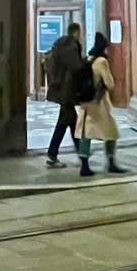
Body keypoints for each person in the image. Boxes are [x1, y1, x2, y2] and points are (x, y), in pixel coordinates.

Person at [74, 32, 127, 177]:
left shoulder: (89, 59)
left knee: (86, 133)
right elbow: (109, 83)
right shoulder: (102, 62)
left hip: (86, 102)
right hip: (99, 103)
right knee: (111, 132)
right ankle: (111, 163)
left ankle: (84, 165)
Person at [43, 23, 85, 168]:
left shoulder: (60, 44)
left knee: (72, 121)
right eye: (80, 32)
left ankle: (81, 153)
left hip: (61, 90)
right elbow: (77, 67)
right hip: (67, 91)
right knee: (64, 123)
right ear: (77, 32)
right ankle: (52, 155)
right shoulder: (71, 46)